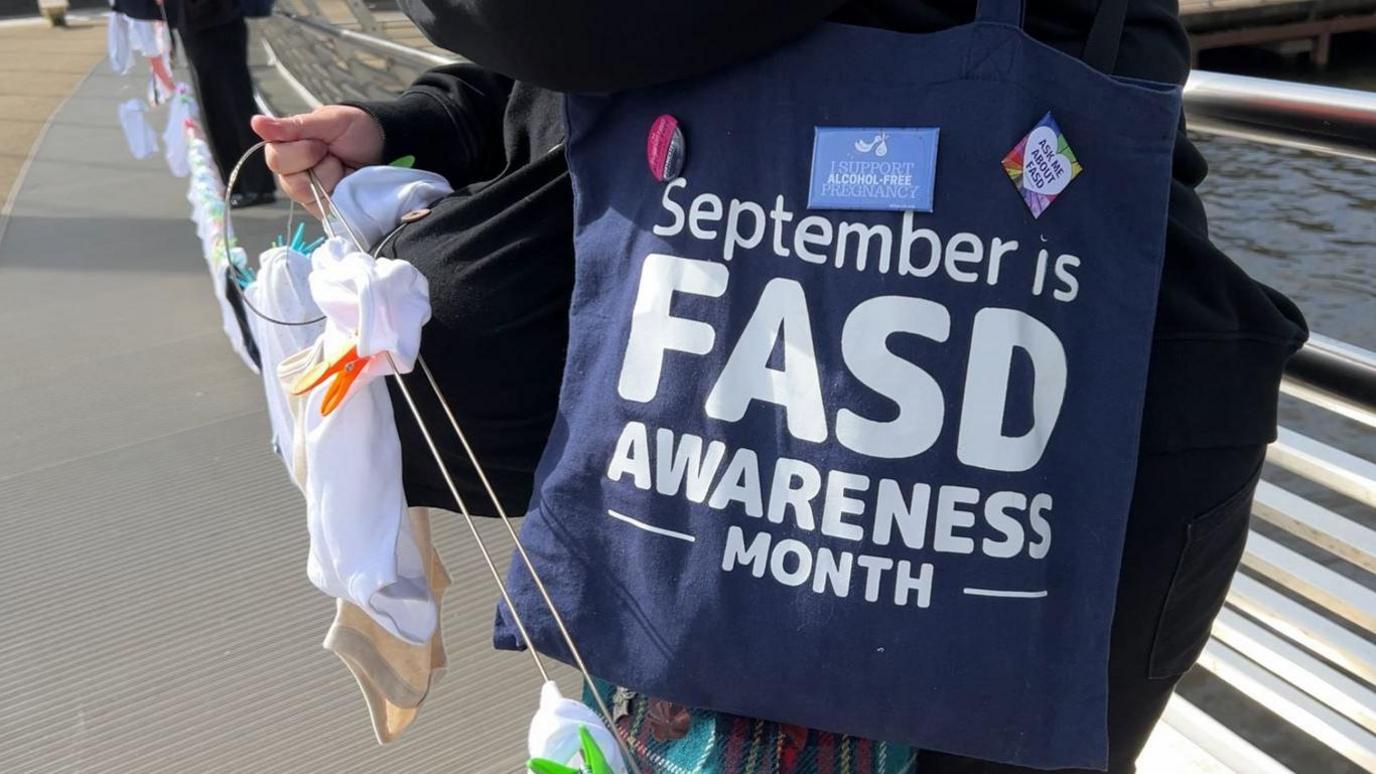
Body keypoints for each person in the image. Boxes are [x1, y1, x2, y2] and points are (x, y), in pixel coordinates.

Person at [253, 1, 1308, 771]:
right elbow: (599, 58)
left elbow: (561, 26)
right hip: (967, 429)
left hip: (869, 437)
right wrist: (433, 121)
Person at [172, 0, 275, 207]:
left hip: (214, 20)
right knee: (220, 102)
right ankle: (239, 183)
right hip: (204, 21)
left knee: (230, 102)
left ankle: (252, 184)